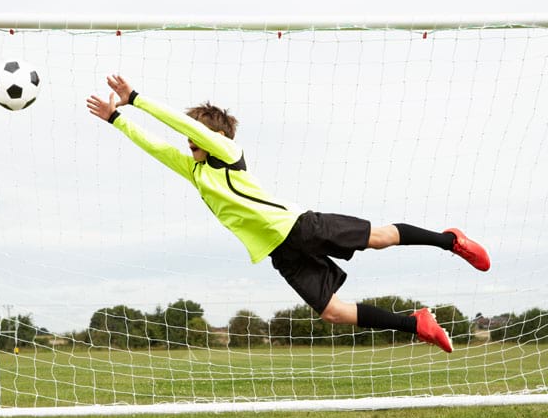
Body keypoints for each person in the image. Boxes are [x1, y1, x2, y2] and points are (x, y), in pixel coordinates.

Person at [86, 75, 491, 354]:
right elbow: (155, 147)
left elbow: (176, 122)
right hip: (281, 251)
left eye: (196, 134)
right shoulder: (195, 170)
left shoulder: (228, 154)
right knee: (333, 312)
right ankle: (416, 324)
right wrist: (117, 119)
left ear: (217, 138)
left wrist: (136, 98)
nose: (187, 139)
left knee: (381, 238)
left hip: (301, 226)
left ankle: (450, 241)